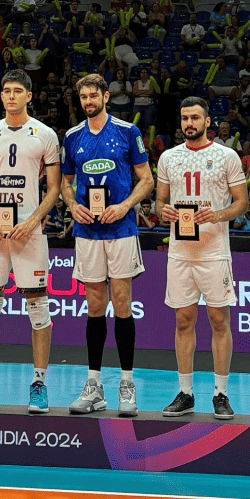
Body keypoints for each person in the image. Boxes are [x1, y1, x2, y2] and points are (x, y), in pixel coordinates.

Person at [0, 70, 62, 414]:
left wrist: (34, 220)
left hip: (29, 229)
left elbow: (53, 187)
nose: (10, 96)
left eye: (17, 91)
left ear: (29, 96)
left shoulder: (45, 134)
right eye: (6, 90)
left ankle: (39, 384)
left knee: (38, 305)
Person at [61, 74, 154, 417]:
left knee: (122, 302)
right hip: (88, 233)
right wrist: (72, 206)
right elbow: (65, 184)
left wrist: (125, 205)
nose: (88, 101)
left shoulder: (128, 132)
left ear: (106, 95)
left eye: (93, 95)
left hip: (122, 230)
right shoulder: (72, 137)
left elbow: (147, 179)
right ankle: (93, 385)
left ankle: (127, 385)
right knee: (95, 305)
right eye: (83, 96)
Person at [153, 97, 248, 419]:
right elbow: (159, 202)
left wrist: (216, 215)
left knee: (219, 321)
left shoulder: (226, 156)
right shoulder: (168, 157)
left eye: (195, 117)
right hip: (180, 251)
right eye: (184, 118)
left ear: (208, 121)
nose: (189, 123)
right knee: (183, 321)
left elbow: (241, 204)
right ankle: (185, 392)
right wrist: (162, 211)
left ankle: (221, 393)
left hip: (214, 252)